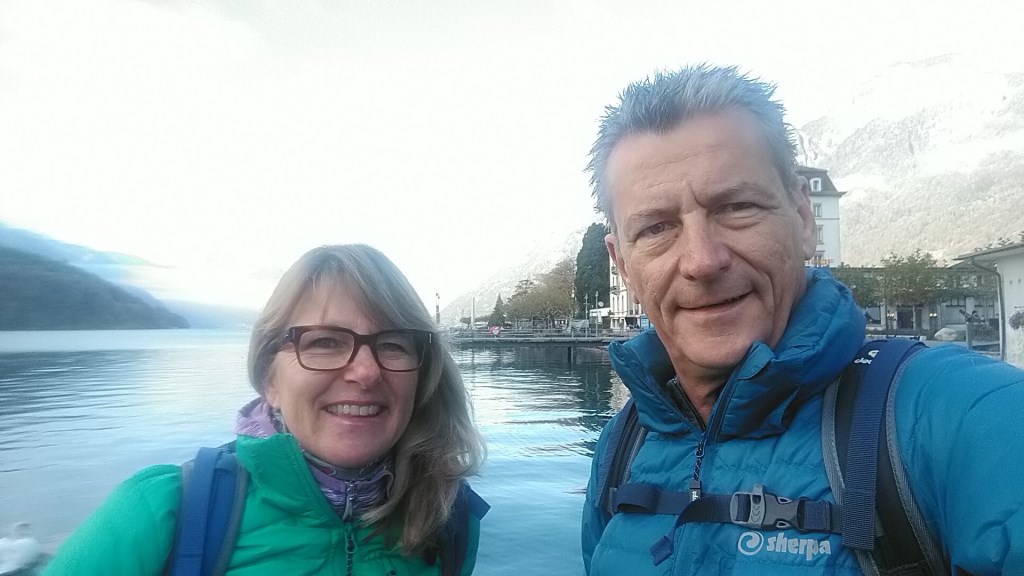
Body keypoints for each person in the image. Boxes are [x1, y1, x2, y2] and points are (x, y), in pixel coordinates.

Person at [580, 65, 1024, 575]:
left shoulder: (954, 415)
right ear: (623, 265)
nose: (702, 261)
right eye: (657, 228)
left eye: (737, 206)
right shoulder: (621, 449)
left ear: (803, 219)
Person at [46, 244, 487, 575]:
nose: (366, 372)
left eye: (393, 344)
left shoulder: (448, 518)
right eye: (324, 342)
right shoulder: (162, 511)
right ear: (269, 379)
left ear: (422, 373)